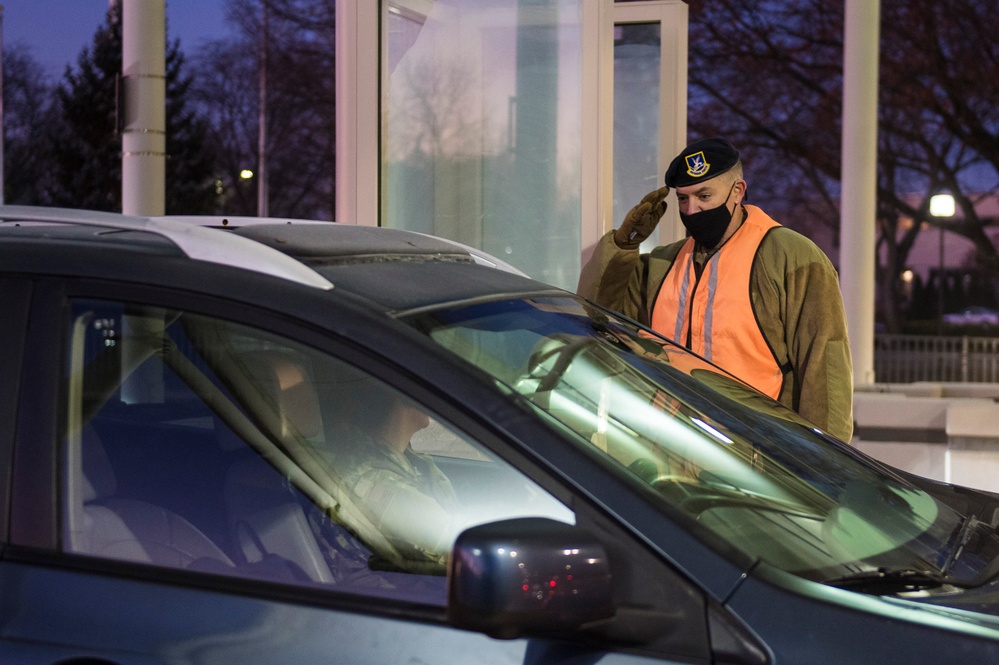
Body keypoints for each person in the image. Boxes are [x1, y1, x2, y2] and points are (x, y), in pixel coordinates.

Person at [578, 137, 854, 442]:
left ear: (738, 191)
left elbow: (825, 368)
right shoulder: (661, 264)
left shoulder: (792, 257)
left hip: (753, 461)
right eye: (683, 199)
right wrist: (624, 242)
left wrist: (826, 468)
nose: (692, 209)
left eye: (704, 195)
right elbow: (596, 313)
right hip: (663, 453)